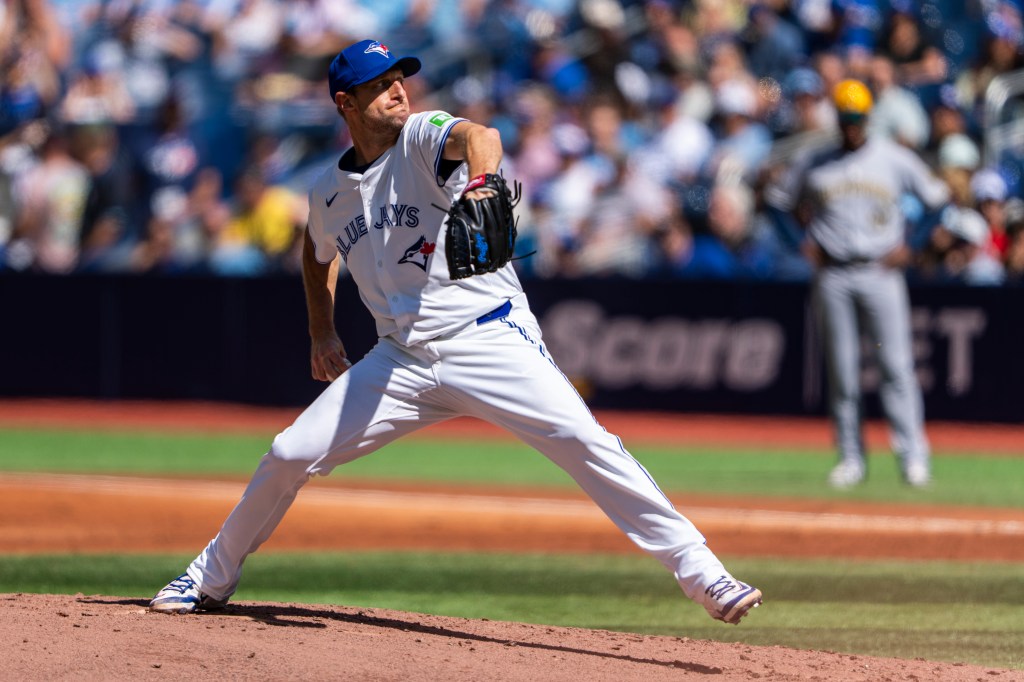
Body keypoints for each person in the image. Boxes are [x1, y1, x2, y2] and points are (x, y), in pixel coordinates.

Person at [148, 39, 762, 625]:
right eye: (379, 85)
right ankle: (209, 577)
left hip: (487, 336)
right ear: (345, 103)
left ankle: (704, 573)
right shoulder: (329, 191)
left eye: (399, 80)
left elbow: (480, 136)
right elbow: (316, 254)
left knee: (584, 437)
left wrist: (482, 181)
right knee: (288, 452)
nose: (397, 92)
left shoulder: (420, 137)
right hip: (401, 360)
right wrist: (320, 331)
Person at [770, 79, 949, 488]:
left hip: (880, 270)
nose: (851, 126)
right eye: (846, 119)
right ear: (837, 118)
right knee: (843, 371)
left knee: (896, 365)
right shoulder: (815, 161)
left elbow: (937, 201)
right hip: (833, 271)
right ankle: (851, 458)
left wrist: (914, 245)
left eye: (857, 119)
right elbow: (778, 201)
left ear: (867, 119)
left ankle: (913, 457)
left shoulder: (893, 158)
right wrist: (800, 243)